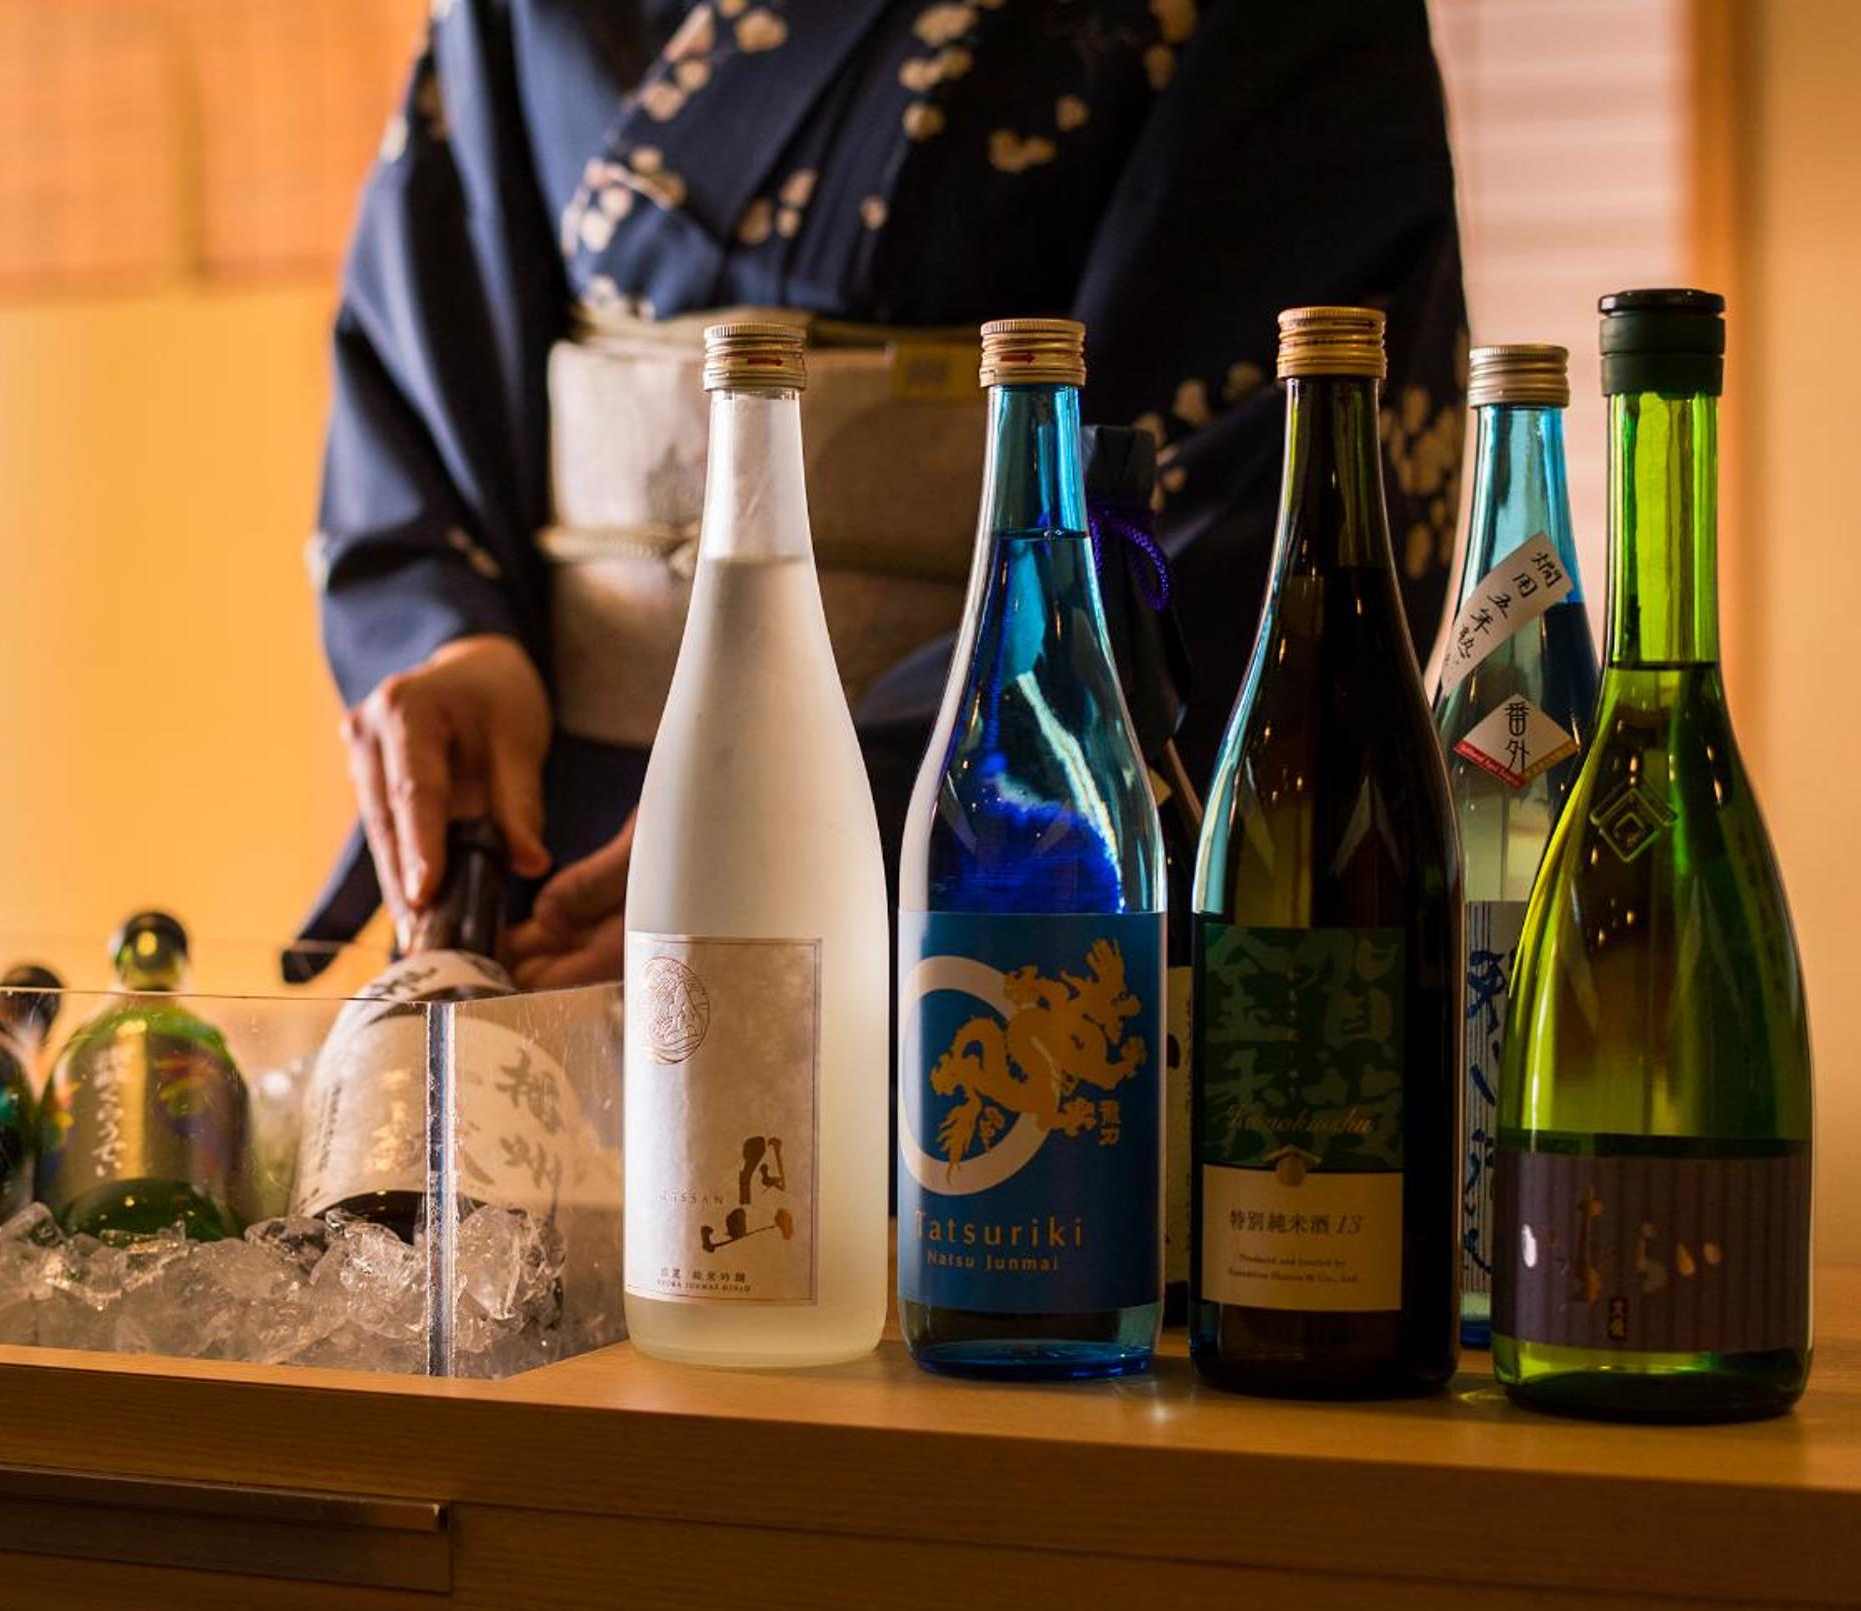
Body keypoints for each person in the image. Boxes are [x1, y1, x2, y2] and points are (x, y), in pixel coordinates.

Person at [302, 0, 1467, 987]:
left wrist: (816, 805)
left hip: (966, 843)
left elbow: (1246, 487)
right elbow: (429, 344)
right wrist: (454, 639)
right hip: (567, 850)